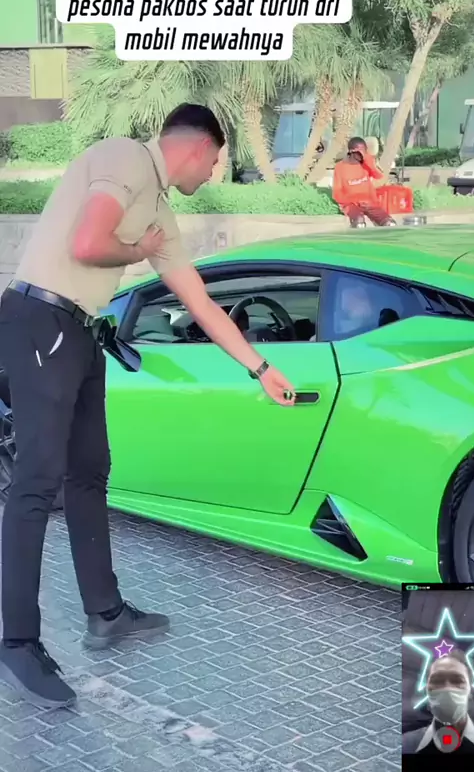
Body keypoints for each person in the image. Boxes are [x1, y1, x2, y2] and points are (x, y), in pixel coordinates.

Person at [0, 103, 296, 710]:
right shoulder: (125, 157)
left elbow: (202, 304)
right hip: (41, 319)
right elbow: (89, 243)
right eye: (215, 162)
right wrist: (139, 249)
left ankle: (105, 612)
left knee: (90, 471)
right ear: (198, 147)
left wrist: (261, 369)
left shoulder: (159, 210)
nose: (212, 174)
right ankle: (18, 643)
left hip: (81, 330)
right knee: (36, 482)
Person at [402, 650, 474, 754]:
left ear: (470, 689)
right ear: (426, 690)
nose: (447, 689)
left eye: (457, 681)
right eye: (437, 681)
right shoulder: (404, 745)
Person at [332, 136, 396, 228]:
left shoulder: (367, 162)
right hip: (351, 204)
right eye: (360, 152)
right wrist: (353, 201)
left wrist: (369, 162)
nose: (362, 154)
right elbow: (337, 194)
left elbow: (378, 176)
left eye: (364, 151)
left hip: (369, 203)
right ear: (352, 151)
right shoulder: (340, 167)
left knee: (389, 223)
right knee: (359, 222)